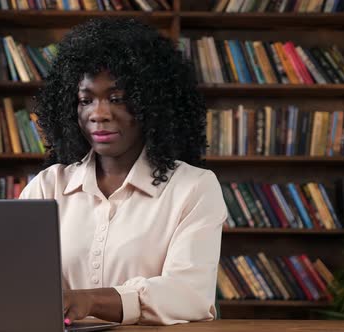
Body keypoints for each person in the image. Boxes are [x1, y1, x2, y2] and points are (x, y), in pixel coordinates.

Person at [19, 17, 228, 326]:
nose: (98, 114)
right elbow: (15, 279)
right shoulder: (47, 187)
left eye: (117, 99)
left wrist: (87, 299)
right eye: (85, 100)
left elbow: (189, 294)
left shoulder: (193, 187)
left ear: (152, 104)